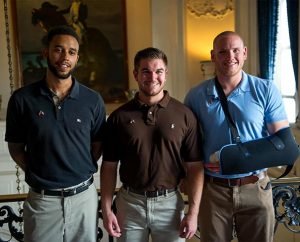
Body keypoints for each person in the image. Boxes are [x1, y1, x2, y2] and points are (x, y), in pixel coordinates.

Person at [184, 31, 289, 242]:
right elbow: (188, 146)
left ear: (245, 53)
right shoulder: (195, 96)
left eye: (235, 50)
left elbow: (282, 144)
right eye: (222, 51)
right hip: (213, 190)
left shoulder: (265, 89)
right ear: (213, 56)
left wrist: (237, 160)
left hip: (256, 188)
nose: (229, 56)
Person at [5, 25, 106, 242]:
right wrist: (38, 170)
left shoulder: (93, 100)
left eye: (71, 52)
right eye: (58, 49)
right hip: (43, 200)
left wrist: (78, 167)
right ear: (46, 53)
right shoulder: (22, 99)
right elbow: (15, 148)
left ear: (77, 58)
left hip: (83, 198)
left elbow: (97, 144)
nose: (64, 57)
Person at [100, 47, 204, 242]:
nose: (152, 77)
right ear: (136, 74)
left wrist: (193, 212)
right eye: (146, 71)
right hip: (130, 204)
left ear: (166, 74)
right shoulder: (118, 117)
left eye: (158, 71)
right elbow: (109, 167)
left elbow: (195, 166)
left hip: (170, 205)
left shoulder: (184, 115)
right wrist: (106, 210)